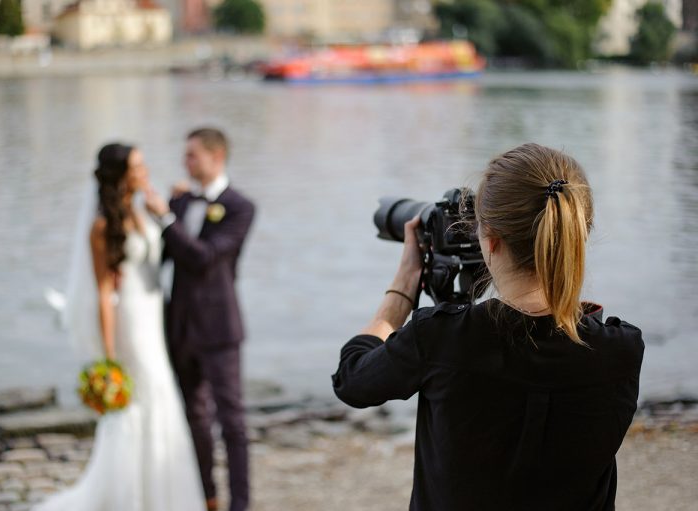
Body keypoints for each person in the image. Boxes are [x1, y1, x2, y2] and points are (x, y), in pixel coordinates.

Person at [332, 143, 645, 511]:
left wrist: (403, 286)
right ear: (579, 232)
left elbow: (351, 380)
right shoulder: (622, 349)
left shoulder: (441, 340)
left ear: (491, 240)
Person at [34, 143, 204, 511]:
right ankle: (133, 497)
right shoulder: (101, 225)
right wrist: (109, 355)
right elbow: (103, 293)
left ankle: (165, 491)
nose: (145, 171)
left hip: (153, 316)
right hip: (131, 321)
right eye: (137, 166)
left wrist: (172, 206)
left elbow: (170, 245)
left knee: (161, 396)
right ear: (121, 175)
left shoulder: (142, 208)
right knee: (144, 398)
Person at [145, 128, 255, 511]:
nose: (185, 162)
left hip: (219, 328)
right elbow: (162, 256)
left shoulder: (240, 206)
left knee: (233, 421)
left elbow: (203, 257)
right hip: (178, 327)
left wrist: (163, 218)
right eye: (185, 155)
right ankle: (206, 496)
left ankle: (240, 504)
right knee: (193, 415)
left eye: (192, 155)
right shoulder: (181, 201)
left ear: (216, 156)